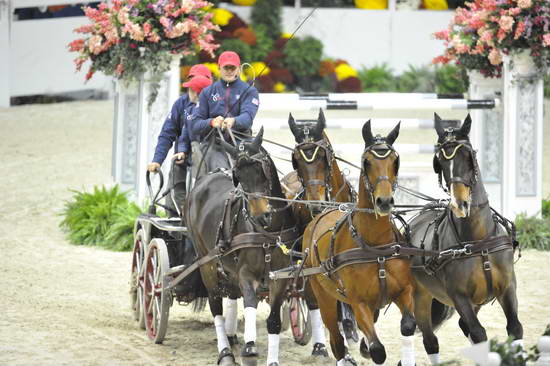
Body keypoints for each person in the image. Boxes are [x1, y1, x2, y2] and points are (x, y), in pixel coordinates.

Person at [147, 64, 212, 217]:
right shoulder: (180, 104)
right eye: (192, 85)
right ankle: (178, 219)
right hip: (183, 160)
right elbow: (166, 134)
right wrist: (157, 160)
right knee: (171, 200)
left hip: (210, 159)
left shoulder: (216, 104)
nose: (196, 92)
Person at [192, 51, 260, 173]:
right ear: (219, 68)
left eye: (232, 67)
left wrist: (234, 121)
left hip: (242, 143)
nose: (229, 71)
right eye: (226, 67)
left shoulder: (250, 91)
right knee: (221, 171)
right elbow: (195, 124)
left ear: (239, 69)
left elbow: (248, 117)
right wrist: (211, 122)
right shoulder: (207, 92)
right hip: (215, 144)